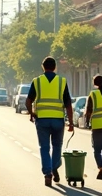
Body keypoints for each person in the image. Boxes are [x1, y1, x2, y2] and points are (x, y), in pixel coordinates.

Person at [26, 56, 74, 187]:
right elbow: (68, 104)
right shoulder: (62, 81)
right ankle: (54, 167)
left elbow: (28, 101)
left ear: (43, 67)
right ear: (55, 67)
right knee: (57, 146)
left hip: (42, 120)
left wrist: (32, 113)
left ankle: (48, 173)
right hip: (58, 120)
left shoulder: (37, 81)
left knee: (44, 147)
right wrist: (71, 122)